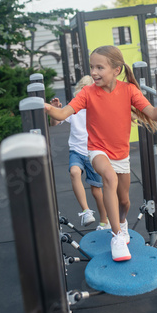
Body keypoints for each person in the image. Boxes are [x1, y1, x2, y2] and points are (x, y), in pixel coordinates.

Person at [45, 45, 157, 262]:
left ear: (116, 69)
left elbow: (152, 113)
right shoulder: (87, 93)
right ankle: (117, 237)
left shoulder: (129, 90)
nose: (94, 72)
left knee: (125, 202)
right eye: (92, 67)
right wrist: (46, 107)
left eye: (99, 67)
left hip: (121, 155)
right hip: (97, 151)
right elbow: (63, 112)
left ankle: (121, 223)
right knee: (109, 178)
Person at [49, 76, 109, 229]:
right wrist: (55, 110)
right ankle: (86, 211)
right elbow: (54, 123)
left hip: (93, 152)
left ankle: (105, 220)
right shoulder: (74, 108)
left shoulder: (99, 109)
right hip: (76, 151)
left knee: (97, 191)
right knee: (74, 172)